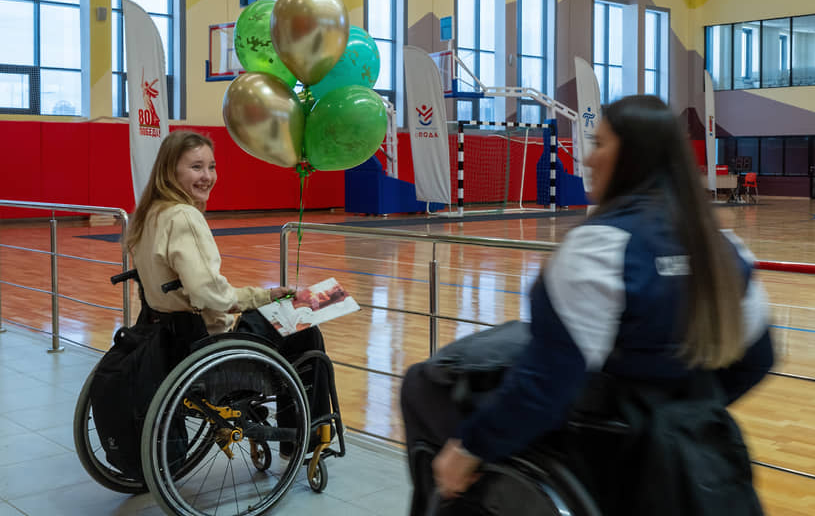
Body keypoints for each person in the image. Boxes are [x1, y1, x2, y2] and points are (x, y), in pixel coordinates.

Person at [401, 95, 774, 514]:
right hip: (692, 440)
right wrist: (688, 412)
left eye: (599, 144)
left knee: (423, 386)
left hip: (603, 448)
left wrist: (467, 450)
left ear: (632, 156)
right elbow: (757, 360)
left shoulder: (599, 248)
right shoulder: (724, 247)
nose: (588, 158)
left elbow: (545, 387)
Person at [125, 129, 330, 452]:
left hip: (166, 335)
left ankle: (303, 433)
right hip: (206, 346)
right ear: (171, 171)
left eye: (211, 166)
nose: (207, 176)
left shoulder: (150, 214)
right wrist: (263, 297)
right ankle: (310, 435)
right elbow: (211, 296)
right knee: (306, 323)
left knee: (296, 312)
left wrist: (263, 297)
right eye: (196, 167)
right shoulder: (184, 217)